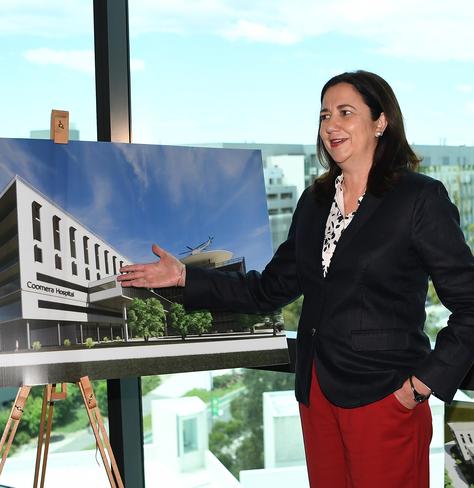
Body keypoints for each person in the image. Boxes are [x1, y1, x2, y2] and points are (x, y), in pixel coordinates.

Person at [118, 70, 474, 487]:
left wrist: (420, 386)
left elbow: (469, 304)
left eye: (345, 112)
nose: (331, 126)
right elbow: (268, 289)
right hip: (316, 395)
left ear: (381, 122)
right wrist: (183, 277)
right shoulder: (315, 200)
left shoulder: (419, 199)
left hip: (384, 397)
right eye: (324, 115)